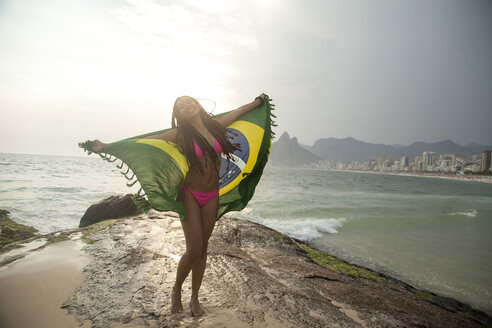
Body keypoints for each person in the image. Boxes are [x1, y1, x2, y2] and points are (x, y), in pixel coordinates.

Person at [89, 94, 265, 316]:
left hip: (212, 195)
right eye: (182, 106)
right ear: (178, 114)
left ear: (197, 105)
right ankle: (176, 290)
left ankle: (195, 298)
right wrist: (107, 146)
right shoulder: (179, 134)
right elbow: (145, 141)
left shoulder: (216, 126)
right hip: (190, 194)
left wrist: (257, 103)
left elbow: (238, 111)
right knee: (193, 249)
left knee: (203, 250)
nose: (187, 106)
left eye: (190, 102)